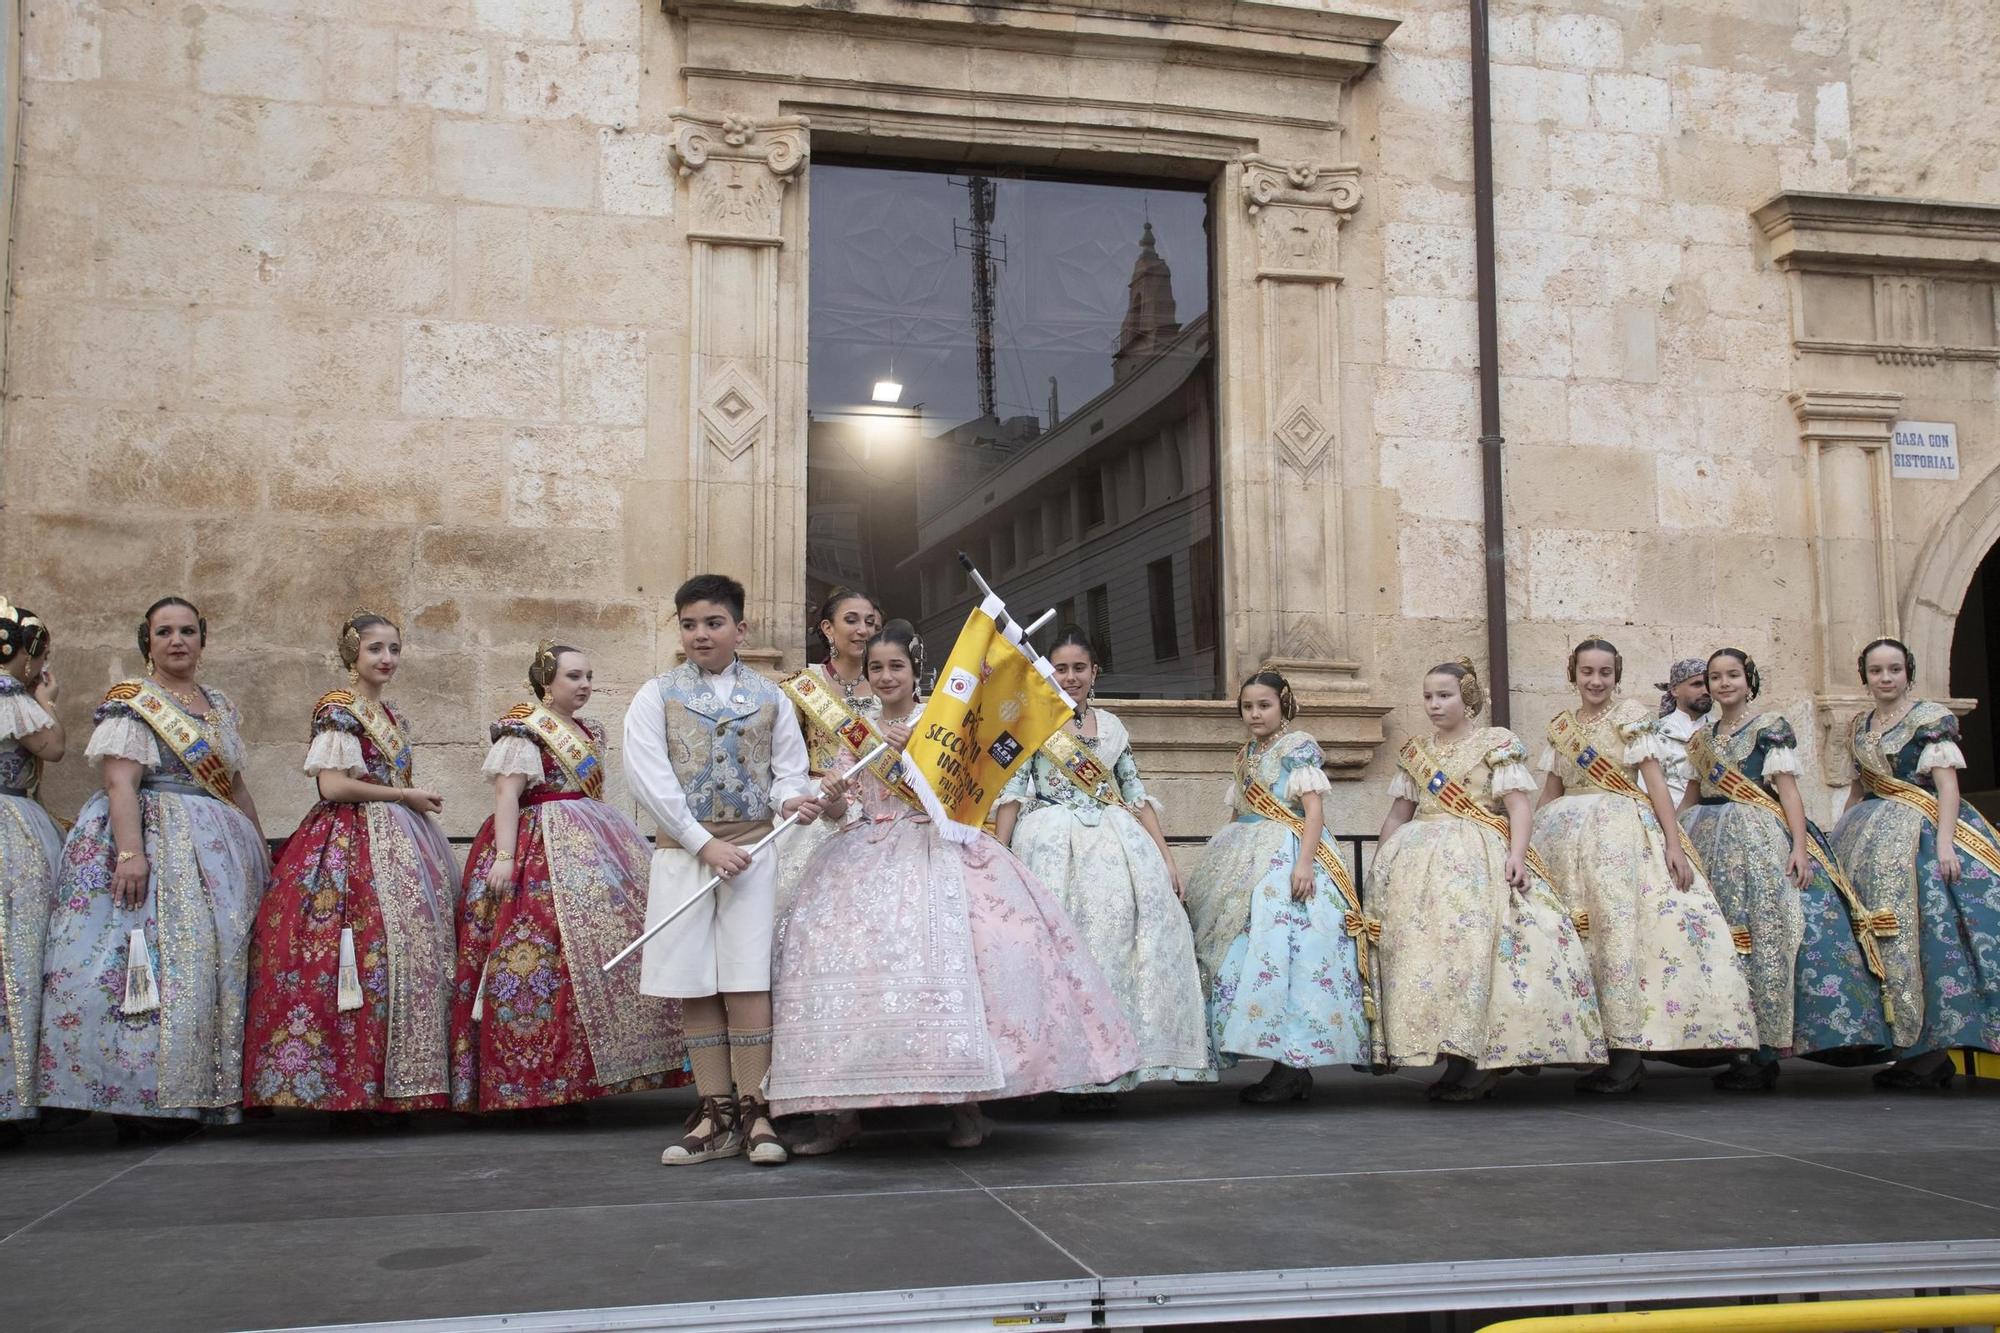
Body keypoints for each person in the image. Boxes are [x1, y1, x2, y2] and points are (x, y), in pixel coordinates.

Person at [767, 621, 1137, 1154]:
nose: (886, 676)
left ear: (915, 671)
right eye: (876, 668)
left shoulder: (940, 720)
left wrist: (913, 751)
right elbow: (844, 809)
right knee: (839, 966)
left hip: (934, 851)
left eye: (896, 666)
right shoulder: (859, 728)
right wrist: (829, 793)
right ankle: (839, 1113)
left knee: (962, 971)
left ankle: (966, 1106)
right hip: (864, 854)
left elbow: (963, 791)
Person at [38, 597, 269, 1137]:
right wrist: (130, 853)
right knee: (146, 966)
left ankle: (201, 1091)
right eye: (164, 632)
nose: (177, 640)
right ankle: (140, 1099)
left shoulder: (218, 705)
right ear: (148, 641)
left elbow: (233, 784)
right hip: (153, 839)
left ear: (203, 639)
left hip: (219, 847)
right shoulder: (134, 703)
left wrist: (260, 847)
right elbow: (120, 782)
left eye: (188, 631)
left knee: (212, 965)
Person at [623, 574, 825, 1168]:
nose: (700, 635)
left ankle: (759, 1106)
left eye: (713, 623)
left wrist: (792, 799)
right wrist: (701, 842)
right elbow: (648, 777)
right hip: (684, 856)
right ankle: (715, 1111)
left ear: (741, 629)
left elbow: (788, 769)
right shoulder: (655, 695)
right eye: (689, 625)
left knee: (746, 979)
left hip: (755, 854)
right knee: (695, 979)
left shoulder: (771, 697)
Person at [451, 642, 688, 1116]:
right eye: (574, 677)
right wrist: (504, 856)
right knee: (539, 958)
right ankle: (531, 1077)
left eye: (588, 677)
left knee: (592, 955)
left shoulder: (590, 729)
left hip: (592, 844)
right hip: (536, 846)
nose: (584, 686)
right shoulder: (522, 730)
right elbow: (507, 794)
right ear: (547, 681)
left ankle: (583, 1073)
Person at [241, 613, 459, 1123]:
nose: (386, 659)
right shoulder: (337, 710)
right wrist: (403, 795)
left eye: (394, 649)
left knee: (404, 957)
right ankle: (344, 1085)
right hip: (347, 840)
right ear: (351, 655)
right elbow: (333, 786)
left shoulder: (392, 715)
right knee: (351, 955)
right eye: (375, 649)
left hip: (402, 840)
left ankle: (401, 1079)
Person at [993, 627, 1214, 1109]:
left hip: (1118, 844)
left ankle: (1112, 1068)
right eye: (1060, 668)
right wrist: (1000, 856)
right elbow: (1012, 791)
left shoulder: (1113, 727)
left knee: (1120, 949)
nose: (1070, 677)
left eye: (1078, 668)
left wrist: (1166, 857)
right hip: (1051, 841)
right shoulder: (1031, 720)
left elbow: (1134, 792)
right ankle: (1058, 1067)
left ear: (1095, 673)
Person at [1367, 660, 1605, 1101]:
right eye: (1428, 696)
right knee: (1432, 961)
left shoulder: (1496, 744)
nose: (1434, 704)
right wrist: (1381, 866)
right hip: (1420, 866)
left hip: (1479, 860)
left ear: (1468, 698)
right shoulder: (1417, 752)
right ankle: (1454, 1057)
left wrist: (1517, 855)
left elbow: (1518, 806)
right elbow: (1398, 814)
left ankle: (1483, 1061)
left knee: (1476, 957)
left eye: (1445, 695)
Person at [1530, 638, 1758, 1093]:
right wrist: (1526, 846)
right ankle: (1590, 1044)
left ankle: (1628, 1055)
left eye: (1605, 673)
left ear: (1617, 675)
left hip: (1619, 835)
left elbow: (1655, 783)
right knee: (1572, 939)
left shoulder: (1632, 717)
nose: (1596, 681)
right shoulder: (1561, 726)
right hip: (1561, 835)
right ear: (1571, 672)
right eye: (1587, 671)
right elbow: (1552, 788)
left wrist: (1674, 844)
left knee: (1618, 937)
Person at [1678, 648, 1892, 1089]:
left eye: (1732, 675)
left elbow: (1788, 792)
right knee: (1724, 940)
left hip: (1758, 839)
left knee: (1768, 937)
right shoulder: (1701, 740)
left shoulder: (1769, 728)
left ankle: (1766, 1051)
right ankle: (1738, 1046)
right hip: (1708, 838)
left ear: (1747, 679)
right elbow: (1691, 796)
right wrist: (1671, 839)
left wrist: (1799, 846)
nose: (1724, 684)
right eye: (1715, 677)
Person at [1185, 669, 1378, 1105]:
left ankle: (1293, 1064)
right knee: (1240, 950)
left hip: (1288, 853)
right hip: (1245, 851)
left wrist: (1305, 863)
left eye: (1264, 705)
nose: (1255, 714)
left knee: (1289, 952)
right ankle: (1269, 1057)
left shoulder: (1297, 747)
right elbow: (1239, 812)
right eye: (1248, 706)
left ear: (1283, 705)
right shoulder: (1246, 754)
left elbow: (1313, 811)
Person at [1833, 637, 2000, 1088]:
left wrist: (1945, 846)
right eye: (1875, 671)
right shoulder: (1858, 726)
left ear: (1909, 672)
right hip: (1867, 839)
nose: (1885, 678)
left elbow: (1947, 788)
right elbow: (1857, 788)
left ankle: (1931, 1052)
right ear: (1864, 675)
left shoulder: (1929, 721)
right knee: (1879, 940)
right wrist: (1835, 840)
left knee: (1928, 939)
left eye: (1893, 669)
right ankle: (1908, 1047)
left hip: (1920, 839)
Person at [775, 587, 882, 912]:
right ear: (827, 628)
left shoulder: (887, 681)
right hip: (817, 798)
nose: (862, 630)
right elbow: (784, 758)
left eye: (870, 622)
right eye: (851, 620)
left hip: (877, 803)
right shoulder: (804, 684)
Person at [0, 600, 62, 1143]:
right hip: (11, 826)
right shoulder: (8, 695)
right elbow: (53, 747)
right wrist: (45, 702)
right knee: (19, 945)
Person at [1654, 658, 1711, 807]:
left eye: (1708, 683)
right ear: (1674, 690)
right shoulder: (1654, 732)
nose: (1706, 691)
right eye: (1697, 684)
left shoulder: (1720, 730)